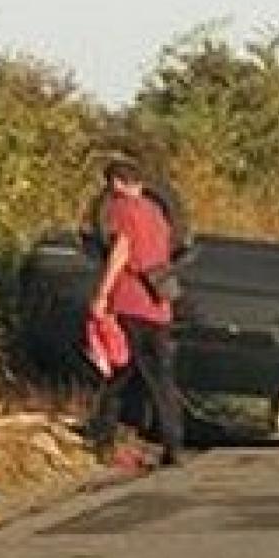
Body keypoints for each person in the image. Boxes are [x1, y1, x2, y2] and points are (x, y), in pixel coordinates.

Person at [84, 157, 186, 466]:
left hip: (130, 303)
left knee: (117, 374)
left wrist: (101, 294)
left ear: (116, 183)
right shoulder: (157, 213)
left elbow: (121, 251)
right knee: (162, 379)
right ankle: (173, 444)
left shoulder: (121, 210)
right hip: (160, 306)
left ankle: (103, 440)